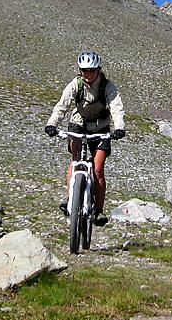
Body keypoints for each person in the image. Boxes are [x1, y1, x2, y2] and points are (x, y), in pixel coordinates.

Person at [45, 50, 126, 226]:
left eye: (92, 70)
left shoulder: (107, 86)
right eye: (84, 70)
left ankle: (98, 211)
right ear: (80, 71)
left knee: (97, 169)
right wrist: (52, 124)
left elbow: (116, 108)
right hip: (78, 124)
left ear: (98, 69)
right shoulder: (76, 84)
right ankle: (71, 198)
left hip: (101, 128)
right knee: (75, 161)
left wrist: (119, 127)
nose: (88, 74)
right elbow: (62, 105)